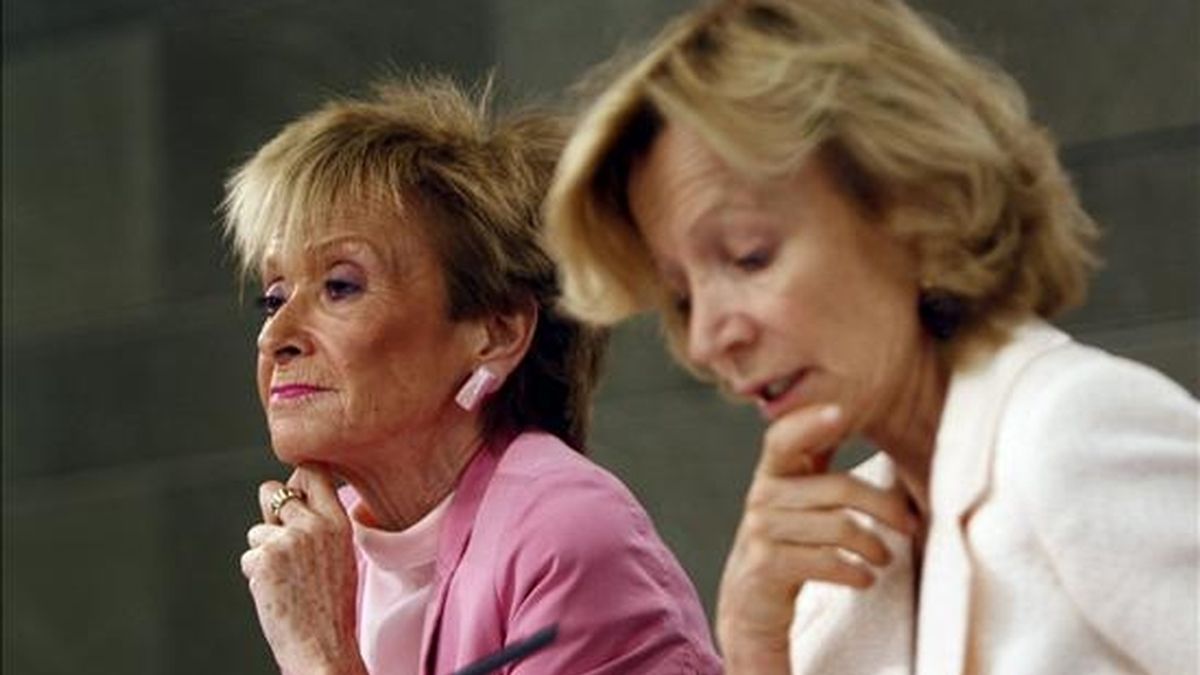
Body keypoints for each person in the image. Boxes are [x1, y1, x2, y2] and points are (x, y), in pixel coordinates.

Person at [543, 1, 1199, 673]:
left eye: (748, 256)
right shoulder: (839, 561)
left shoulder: (1068, 431)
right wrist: (752, 642)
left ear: (917, 205)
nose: (709, 339)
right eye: (681, 296)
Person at [225, 75, 722, 674]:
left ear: (496, 332)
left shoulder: (564, 532)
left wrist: (319, 656)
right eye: (274, 298)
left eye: (340, 286)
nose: (274, 337)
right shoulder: (329, 558)